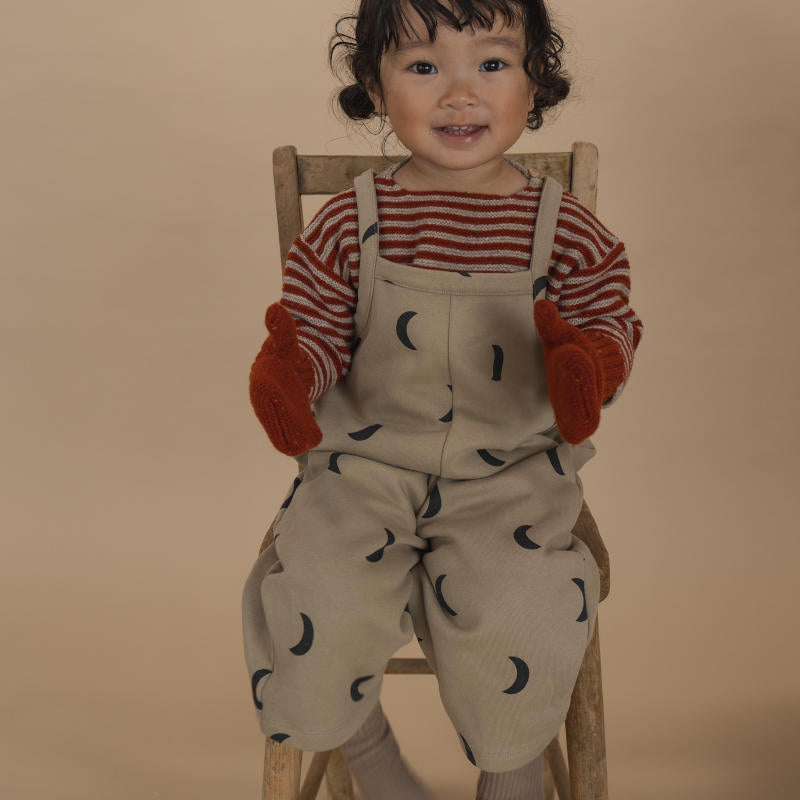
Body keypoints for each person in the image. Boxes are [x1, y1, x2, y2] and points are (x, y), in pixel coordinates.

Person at [241, 1, 643, 798]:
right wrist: (293, 374)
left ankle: (513, 774)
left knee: (524, 606)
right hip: (363, 470)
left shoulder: (565, 230)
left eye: (491, 64)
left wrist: (590, 365)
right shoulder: (350, 221)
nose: (460, 94)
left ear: (535, 82)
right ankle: (373, 762)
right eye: (424, 66)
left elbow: (610, 321)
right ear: (375, 86)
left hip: (512, 475)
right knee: (315, 594)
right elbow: (316, 330)